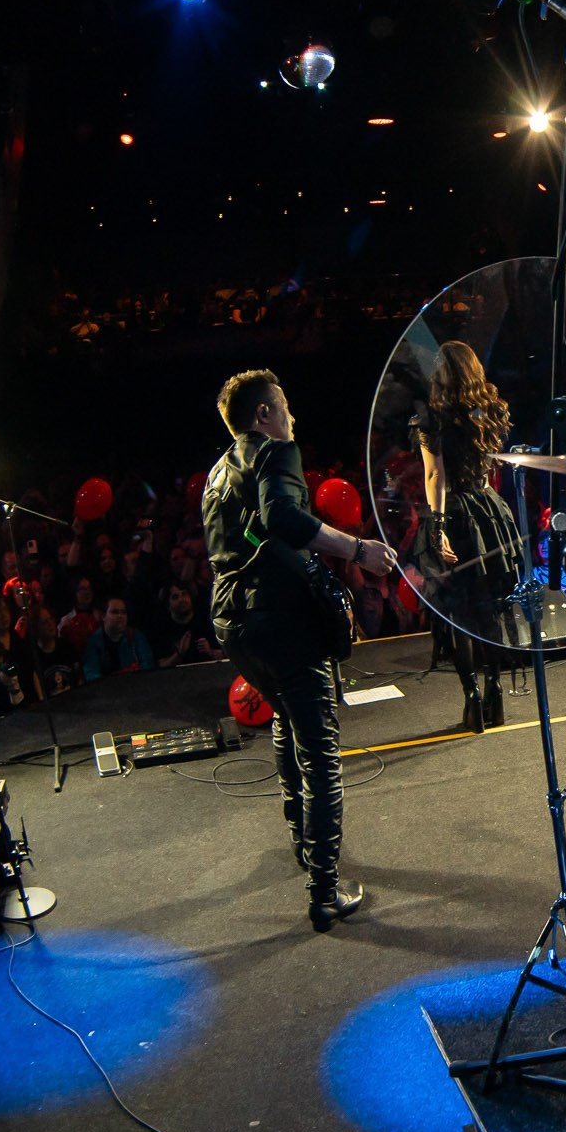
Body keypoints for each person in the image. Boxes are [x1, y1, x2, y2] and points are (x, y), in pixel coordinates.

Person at [203, 368, 396, 931]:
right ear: (263, 414)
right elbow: (281, 519)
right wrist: (357, 549)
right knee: (322, 756)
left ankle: (302, 845)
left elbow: (244, 537)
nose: (293, 417)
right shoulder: (274, 451)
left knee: (286, 720)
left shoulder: (218, 471)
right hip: (280, 619)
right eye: (284, 405)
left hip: (233, 622)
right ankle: (324, 893)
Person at [413, 341, 526, 733]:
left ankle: (473, 698)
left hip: (458, 511)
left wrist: (437, 525)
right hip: (490, 509)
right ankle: (494, 689)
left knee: (459, 614)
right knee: (490, 609)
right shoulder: (489, 408)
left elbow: (435, 477)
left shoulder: (434, 416)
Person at [83, 596, 154, 680]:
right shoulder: (94, 642)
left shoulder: (136, 636)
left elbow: (148, 667)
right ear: (103, 616)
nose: (120, 616)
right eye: (114, 612)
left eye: (123, 612)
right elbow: (91, 674)